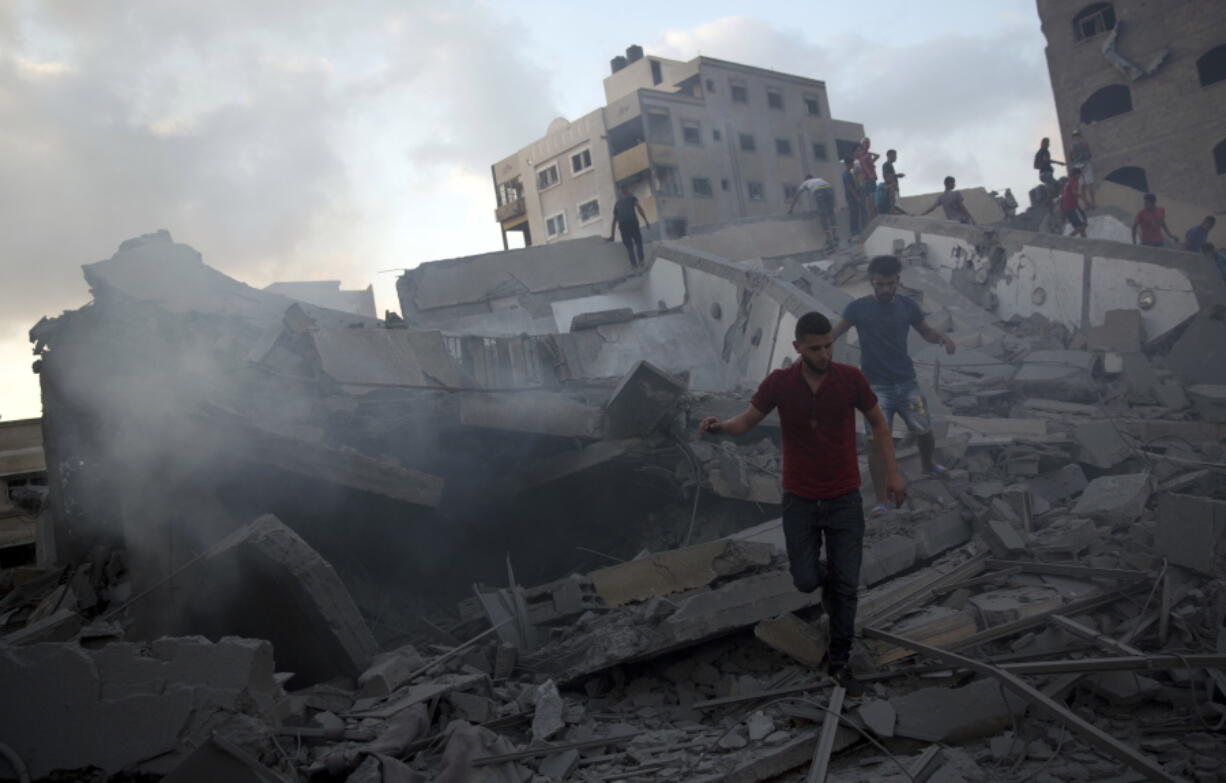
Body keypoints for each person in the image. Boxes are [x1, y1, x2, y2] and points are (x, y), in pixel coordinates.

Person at [698, 312, 906, 695]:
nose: (825, 353)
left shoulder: (850, 379)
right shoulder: (779, 383)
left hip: (844, 497)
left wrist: (892, 475)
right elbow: (746, 421)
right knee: (806, 579)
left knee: (846, 587)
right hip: (800, 498)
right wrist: (718, 427)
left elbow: (879, 424)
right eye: (816, 347)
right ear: (798, 347)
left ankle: (840, 660)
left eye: (829, 345)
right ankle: (832, 585)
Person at [831, 255, 955, 515]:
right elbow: (834, 333)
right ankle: (881, 500)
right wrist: (815, 351)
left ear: (898, 281)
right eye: (880, 284)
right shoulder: (857, 308)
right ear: (872, 282)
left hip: (906, 382)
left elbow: (926, 332)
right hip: (875, 389)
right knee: (876, 444)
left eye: (890, 284)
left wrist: (942, 339)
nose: (886, 289)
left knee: (924, 431)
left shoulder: (908, 306)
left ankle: (928, 465)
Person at [789, 175, 837, 250]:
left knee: (822, 214)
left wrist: (791, 209)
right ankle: (835, 236)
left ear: (806, 179)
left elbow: (797, 195)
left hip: (819, 190)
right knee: (831, 212)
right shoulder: (820, 179)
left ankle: (829, 239)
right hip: (829, 189)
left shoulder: (805, 182)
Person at [609, 185, 650, 266]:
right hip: (632, 222)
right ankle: (641, 261)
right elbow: (639, 208)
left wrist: (612, 235)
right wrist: (646, 220)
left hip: (623, 226)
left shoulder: (617, 203)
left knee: (629, 247)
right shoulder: (632, 198)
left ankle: (634, 266)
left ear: (621, 192)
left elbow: (614, 220)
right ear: (627, 190)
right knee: (638, 241)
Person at [1067, 130, 1095, 208]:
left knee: (1082, 186)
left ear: (1073, 136)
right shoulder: (1084, 143)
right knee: (1089, 185)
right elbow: (1089, 154)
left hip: (1077, 167)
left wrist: (1074, 164)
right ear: (1080, 135)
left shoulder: (1071, 145)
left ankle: (1086, 205)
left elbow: (1070, 158)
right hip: (1086, 164)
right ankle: (1093, 203)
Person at [856, 138, 880, 219]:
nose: (867, 144)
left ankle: (875, 214)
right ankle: (873, 216)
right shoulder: (862, 154)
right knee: (871, 196)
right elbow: (864, 166)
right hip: (868, 178)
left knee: (873, 196)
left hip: (871, 177)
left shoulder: (867, 155)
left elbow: (877, 156)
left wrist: (869, 152)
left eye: (868, 143)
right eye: (865, 143)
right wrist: (870, 175)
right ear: (862, 145)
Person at [1060, 168, 1088, 238]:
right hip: (1072, 207)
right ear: (1076, 175)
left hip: (1067, 208)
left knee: (1079, 226)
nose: (1080, 177)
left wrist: (1062, 212)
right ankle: (1068, 238)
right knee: (1084, 224)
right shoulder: (1074, 181)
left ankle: (1084, 239)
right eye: (1079, 175)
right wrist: (1084, 198)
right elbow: (1074, 192)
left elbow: (1062, 197)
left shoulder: (1067, 183)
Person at [842, 158, 865, 237]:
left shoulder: (849, 173)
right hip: (851, 197)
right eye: (851, 164)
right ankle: (854, 232)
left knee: (856, 213)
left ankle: (856, 230)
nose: (852, 165)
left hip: (852, 196)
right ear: (847, 164)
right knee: (853, 214)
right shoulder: (846, 174)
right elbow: (849, 187)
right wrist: (856, 197)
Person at [880, 149, 905, 215]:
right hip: (891, 188)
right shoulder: (886, 164)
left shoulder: (890, 165)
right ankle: (892, 211)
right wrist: (897, 175)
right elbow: (885, 176)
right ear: (889, 156)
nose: (895, 157)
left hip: (894, 188)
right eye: (894, 155)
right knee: (893, 204)